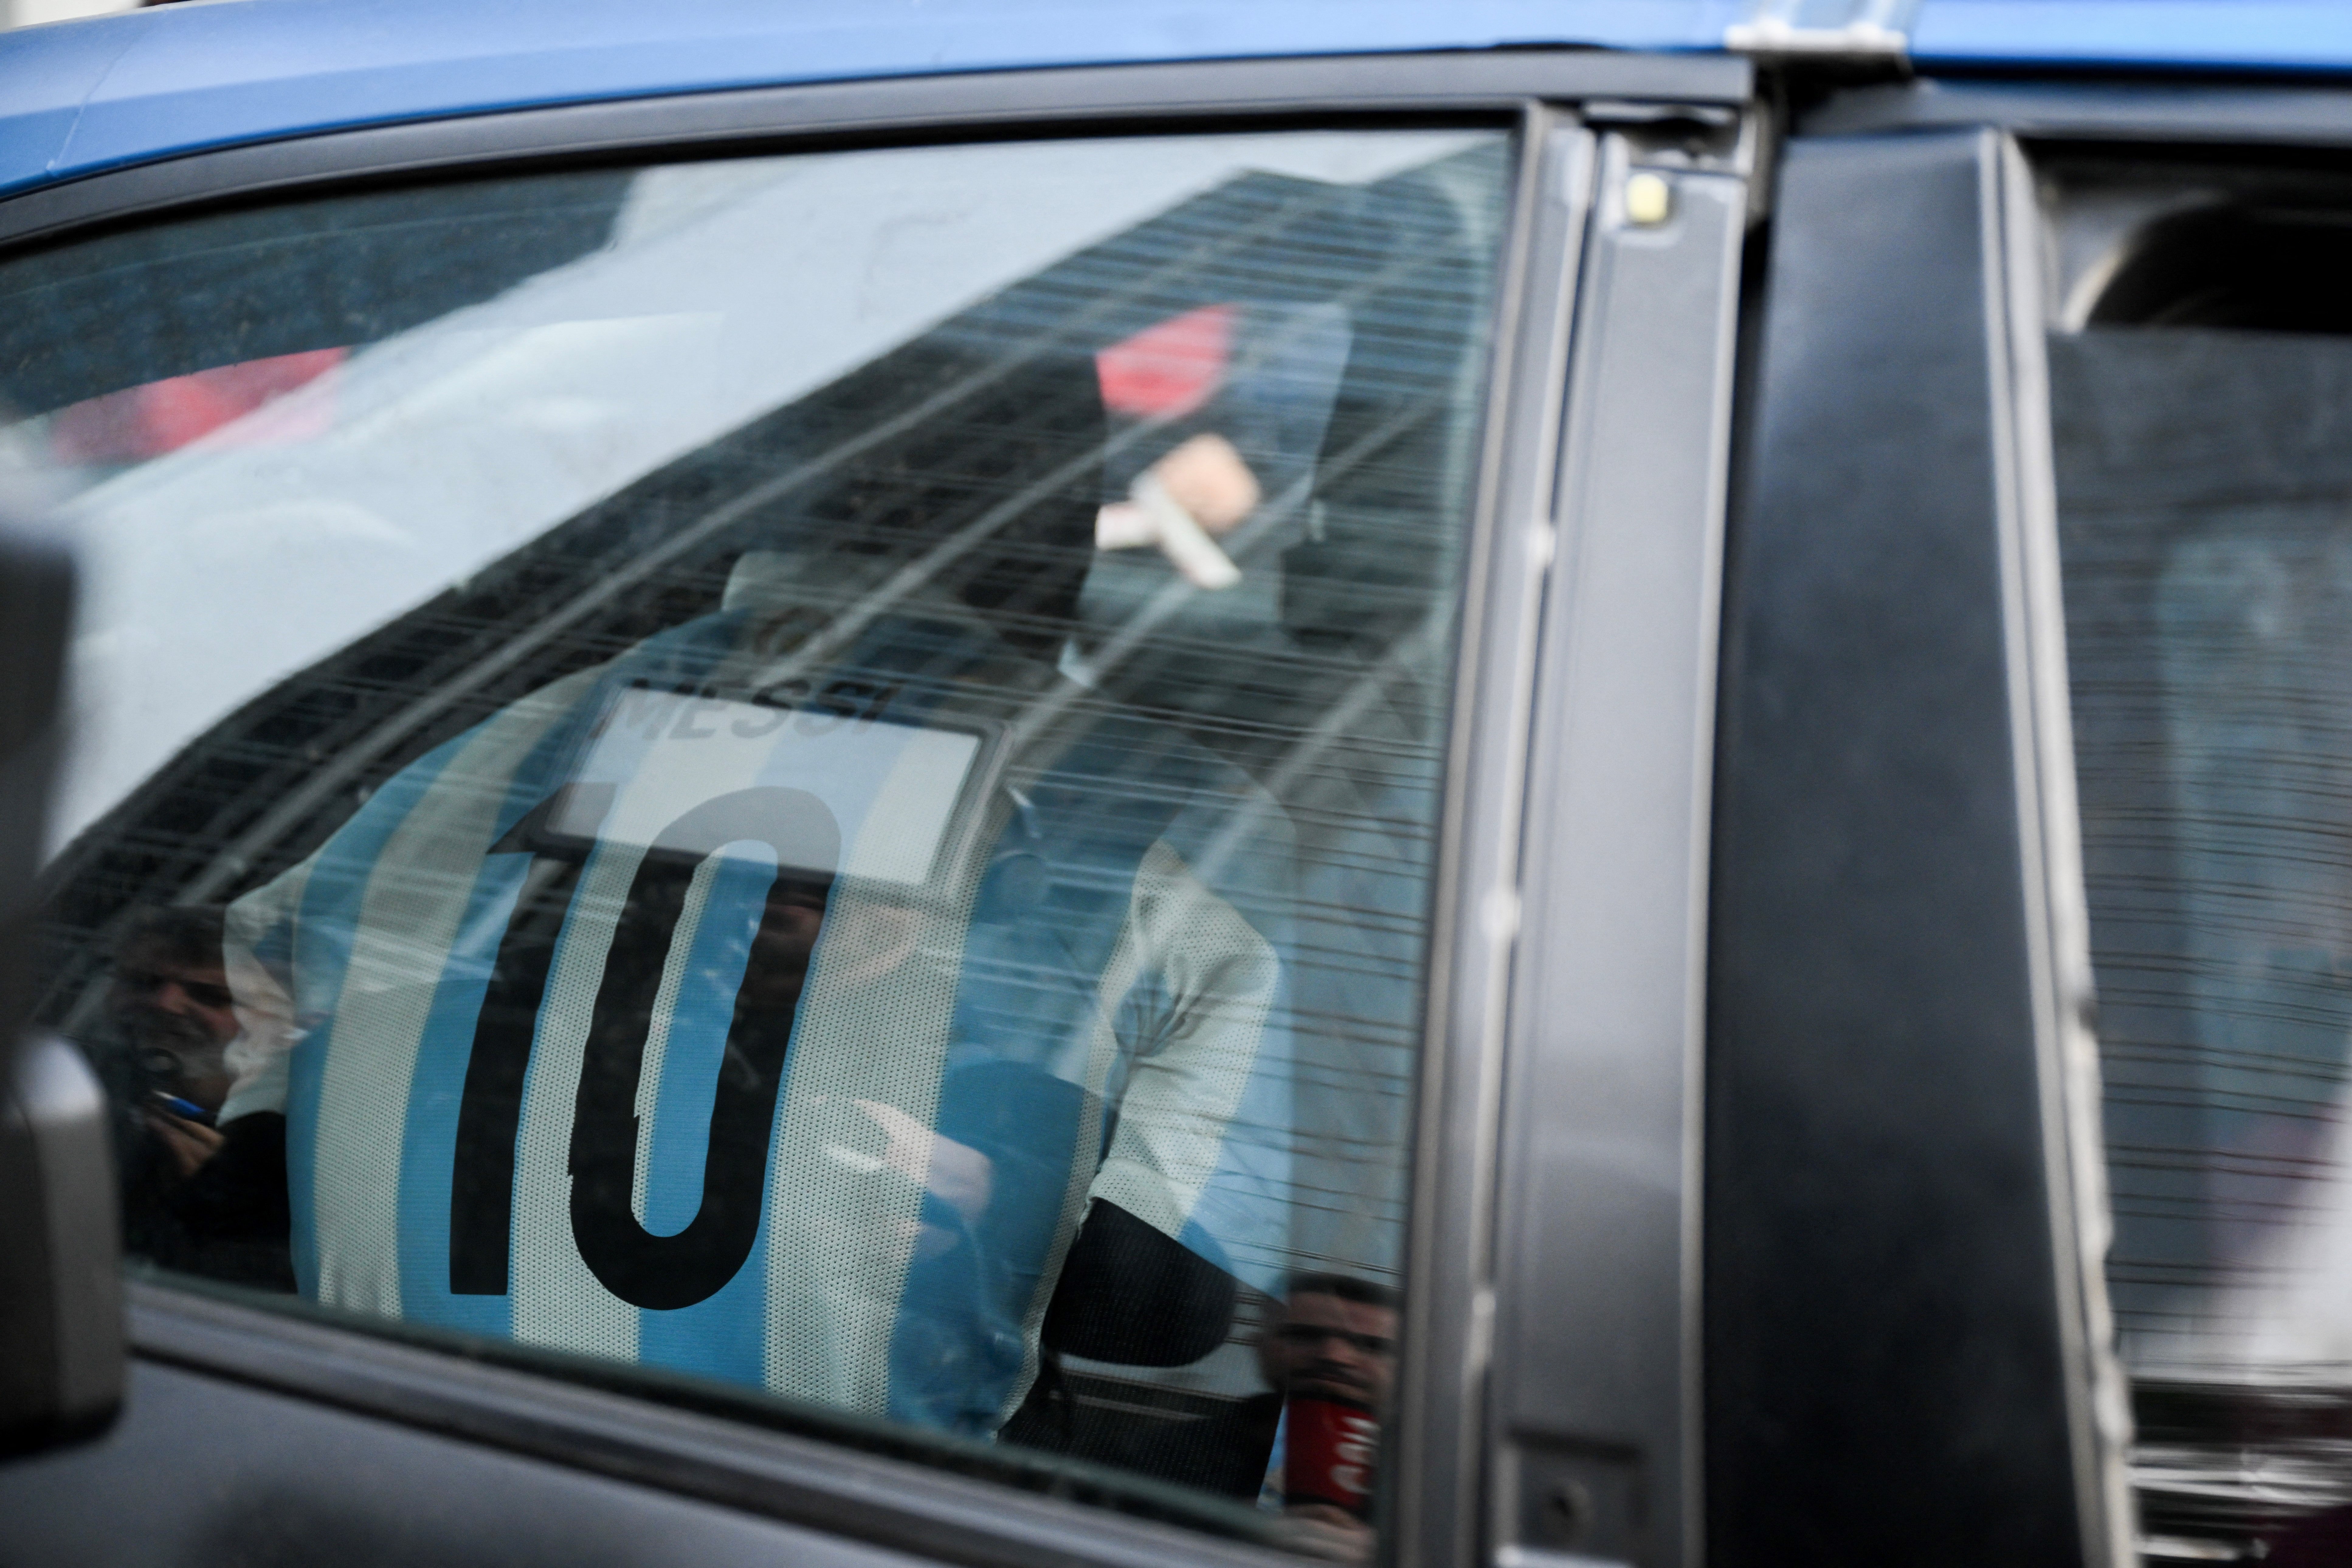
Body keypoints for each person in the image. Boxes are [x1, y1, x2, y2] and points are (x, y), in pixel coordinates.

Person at [212, 347, 1297, 1437]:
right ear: (1056, 511)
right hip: (803, 1516)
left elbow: (245, 1152)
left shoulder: (485, 747)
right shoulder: (1178, 824)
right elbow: (1161, 1307)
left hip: (372, 1474)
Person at [106, 906, 293, 1288]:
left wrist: (216, 1198)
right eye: (143, 981)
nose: (166, 1003)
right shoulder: (68, 1086)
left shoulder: (311, 1147)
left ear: (281, 1024)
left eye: (211, 995)